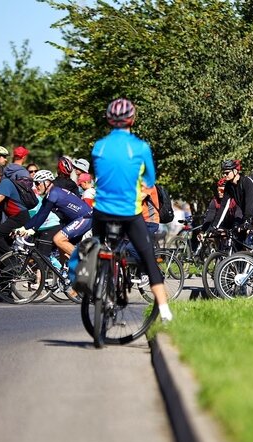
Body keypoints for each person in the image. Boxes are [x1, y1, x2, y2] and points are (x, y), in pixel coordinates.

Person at [91, 98, 171, 323]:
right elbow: (150, 179)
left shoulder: (99, 146)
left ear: (109, 119)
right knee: (148, 256)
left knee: (96, 247)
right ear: (132, 120)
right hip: (129, 212)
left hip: (102, 212)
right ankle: (165, 312)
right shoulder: (140, 147)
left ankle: (95, 283)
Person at [15, 170, 92, 259]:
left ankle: (87, 261)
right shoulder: (49, 195)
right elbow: (39, 215)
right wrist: (24, 227)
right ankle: (63, 272)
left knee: (58, 239)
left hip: (85, 218)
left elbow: (44, 215)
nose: (36, 186)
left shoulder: (54, 193)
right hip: (80, 218)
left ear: (46, 182)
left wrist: (33, 229)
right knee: (62, 248)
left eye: (37, 183)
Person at [213, 159, 253, 229]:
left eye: (227, 173)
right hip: (246, 218)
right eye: (223, 173)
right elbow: (223, 207)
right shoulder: (229, 186)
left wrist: (247, 221)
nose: (224, 175)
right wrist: (214, 227)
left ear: (235, 171)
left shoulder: (246, 182)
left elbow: (250, 203)